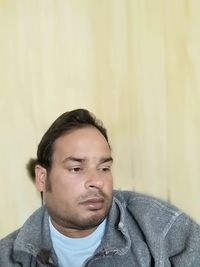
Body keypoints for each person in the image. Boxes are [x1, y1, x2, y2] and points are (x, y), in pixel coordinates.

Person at [0, 109, 200, 267]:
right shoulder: (10, 257)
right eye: (77, 168)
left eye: (104, 168)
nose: (97, 181)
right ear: (42, 178)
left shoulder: (163, 229)